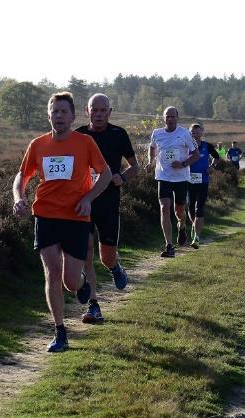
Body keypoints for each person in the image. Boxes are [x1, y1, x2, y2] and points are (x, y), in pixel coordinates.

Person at [12, 92, 111, 352]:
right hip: (45, 215)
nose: (58, 116)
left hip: (77, 217)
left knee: (70, 281)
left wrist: (89, 198)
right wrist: (18, 197)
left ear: (72, 116)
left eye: (63, 112)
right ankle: (60, 332)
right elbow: (22, 176)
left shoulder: (85, 143)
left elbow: (106, 173)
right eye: (54, 111)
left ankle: (83, 283)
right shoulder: (38, 145)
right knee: (52, 273)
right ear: (49, 115)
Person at [75, 93, 139, 323]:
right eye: (95, 110)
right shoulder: (79, 135)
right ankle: (94, 306)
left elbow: (135, 166)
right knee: (86, 251)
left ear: (110, 112)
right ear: (87, 110)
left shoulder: (118, 134)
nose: (99, 114)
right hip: (84, 202)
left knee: (106, 256)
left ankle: (115, 267)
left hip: (109, 202)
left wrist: (122, 176)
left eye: (103, 110)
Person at [148, 106, 199, 258]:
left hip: (181, 178)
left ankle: (182, 226)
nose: (170, 119)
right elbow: (152, 148)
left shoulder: (184, 134)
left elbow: (196, 154)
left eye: (172, 116)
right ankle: (169, 245)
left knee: (179, 211)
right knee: (164, 208)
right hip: (163, 176)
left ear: (177, 118)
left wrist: (183, 164)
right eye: (167, 117)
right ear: (163, 118)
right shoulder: (157, 133)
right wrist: (151, 161)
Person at [186, 123, 220, 249]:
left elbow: (216, 157)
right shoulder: (186, 146)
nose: (195, 135)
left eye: (197, 132)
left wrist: (212, 167)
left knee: (199, 208)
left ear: (202, 133)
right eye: (193, 132)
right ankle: (194, 227)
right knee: (190, 208)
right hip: (188, 181)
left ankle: (197, 237)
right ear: (190, 134)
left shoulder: (207, 146)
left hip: (203, 181)